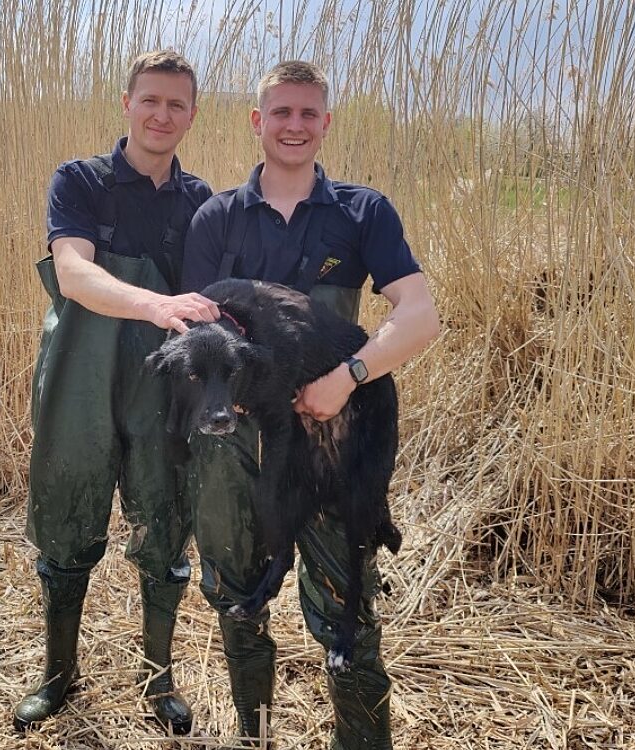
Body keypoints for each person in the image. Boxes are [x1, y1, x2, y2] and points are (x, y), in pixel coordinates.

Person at [180, 61, 441, 749]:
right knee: (235, 594)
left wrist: (349, 377)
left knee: (346, 610)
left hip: (330, 434)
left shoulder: (362, 211)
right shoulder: (217, 218)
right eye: (280, 113)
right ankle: (255, 736)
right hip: (235, 443)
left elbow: (419, 317)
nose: (294, 126)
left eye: (307, 114)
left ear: (325, 123)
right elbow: (193, 336)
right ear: (255, 121)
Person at [17, 49, 218, 734]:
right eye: (150, 100)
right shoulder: (79, 181)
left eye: (177, 104)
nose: (162, 114)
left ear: (192, 115)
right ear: (128, 102)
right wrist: (154, 306)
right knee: (68, 516)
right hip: (83, 370)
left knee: (166, 523)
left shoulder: (200, 202)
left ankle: (159, 683)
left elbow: (218, 301)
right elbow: (73, 275)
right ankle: (58, 677)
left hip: (164, 383)